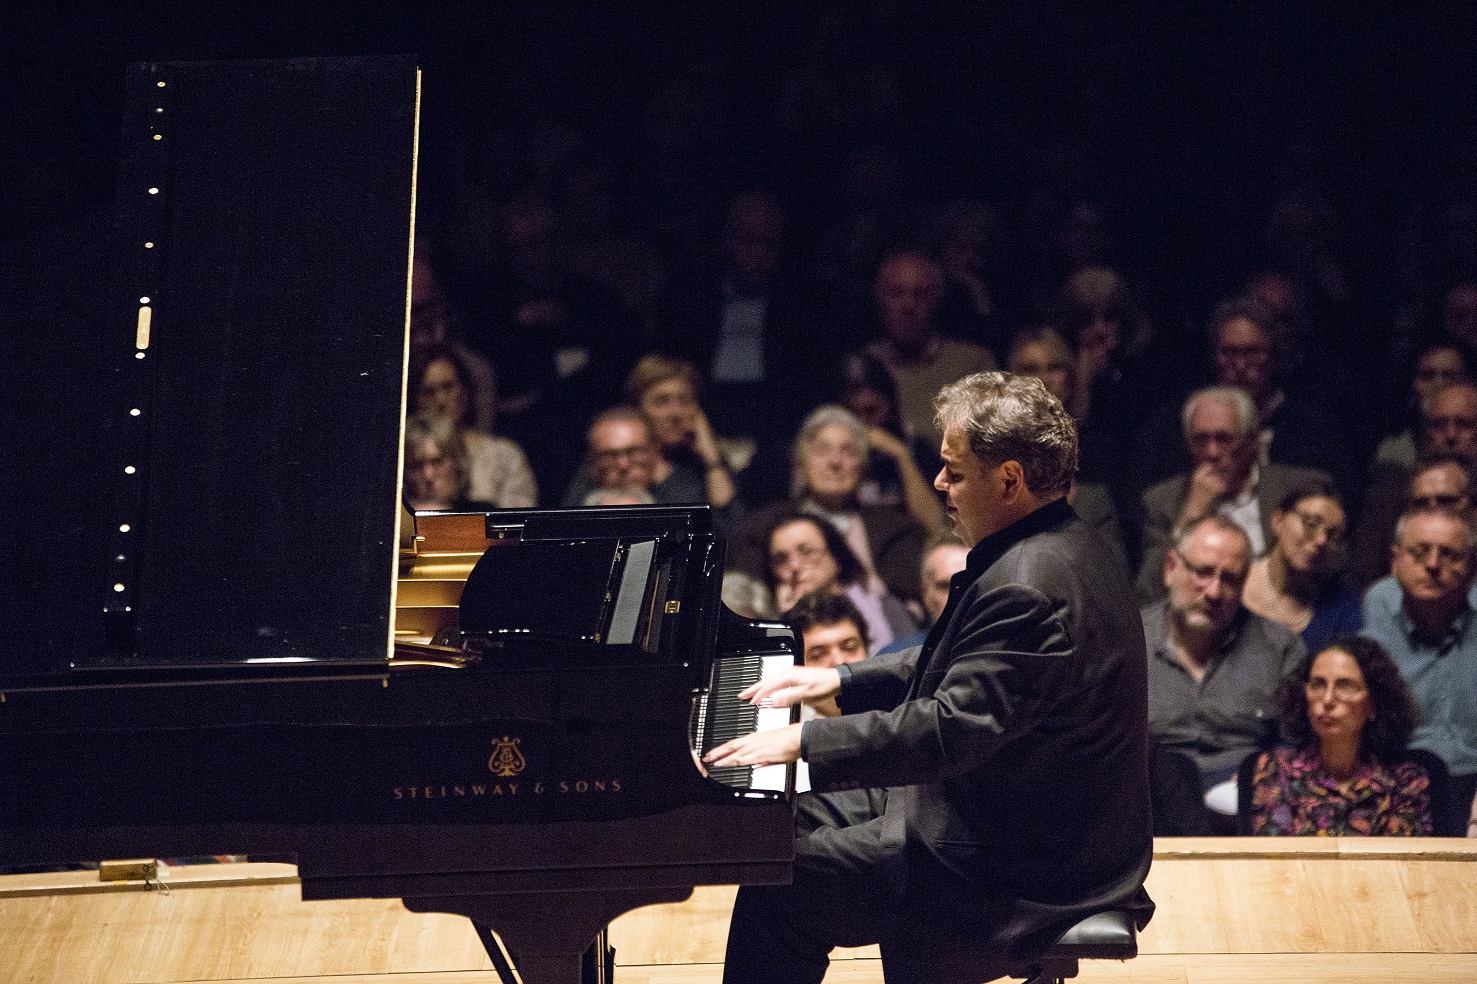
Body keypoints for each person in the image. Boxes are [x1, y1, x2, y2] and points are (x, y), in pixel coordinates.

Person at [706, 371, 1153, 984]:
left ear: (1011, 480)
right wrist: (838, 682)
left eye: (955, 471)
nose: (939, 483)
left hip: (1025, 864)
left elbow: (949, 731)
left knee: (782, 880)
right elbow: (968, 661)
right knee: (790, 819)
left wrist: (803, 741)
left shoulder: (1031, 581)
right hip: (1024, 810)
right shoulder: (1066, 540)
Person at [1144, 515, 1305, 830]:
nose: (1214, 592)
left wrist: (1267, 776)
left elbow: (1297, 750)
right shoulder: (1126, 641)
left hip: (1248, 805)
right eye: (1203, 572)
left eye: (1230, 579)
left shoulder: (1279, 648)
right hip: (1151, 808)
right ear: (1170, 567)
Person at [1136, 386, 1330, 603]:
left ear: (1251, 440)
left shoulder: (1295, 488)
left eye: (1224, 439)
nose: (1212, 452)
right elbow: (1150, 591)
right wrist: (1192, 512)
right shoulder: (1163, 500)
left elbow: (1330, 566)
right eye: (1201, 439)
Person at [727, 405, 929, 606]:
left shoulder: (893, 526)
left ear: (863, 466)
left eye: (848, 452)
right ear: (801, 464)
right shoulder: (764, 528)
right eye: (822, 451)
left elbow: (937, 540)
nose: (835, 462)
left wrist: (902, 455)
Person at [1361, 506, 1477, 836]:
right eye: (1419, 551)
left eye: (1450, 554)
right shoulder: (1371, 650)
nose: (1432, 565)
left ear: (1471, 568)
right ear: (1395, 562)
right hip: (1399, 787)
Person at [1249, 636, 1432, 836]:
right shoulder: (1276, 770)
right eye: (1318, 685)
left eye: (1344, 686)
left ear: (1373, 705)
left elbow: (1404, 864)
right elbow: (1273, 859)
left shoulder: (1404, 781)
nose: (1327, 700)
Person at [865, 251, 997, 452]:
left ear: (936, 300)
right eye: (897, 293)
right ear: (880, 299)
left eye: (919, 294)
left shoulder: (971, 365)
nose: (908, 305)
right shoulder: (863, 367)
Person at [766, 512, 917, 652]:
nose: (795, 566)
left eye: (807, 552)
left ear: (836, 556)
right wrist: (789, 621)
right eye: (781, 559)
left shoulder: (886, 607)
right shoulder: (772, 623)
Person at [411, 346, 538, 508]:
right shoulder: (405, 457)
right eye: (428, 392)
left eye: (448, 387)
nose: (440, 400)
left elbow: (517, 523)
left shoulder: (505, 456)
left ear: (464, 391)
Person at [1241, 483, 1361, 653]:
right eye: (1311, 524)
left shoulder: (1342, 607)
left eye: (1333, 535)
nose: (1321, 540)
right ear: (1278, 520)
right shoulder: (1232, 583)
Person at [836, 349, 946, 531]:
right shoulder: (833, 460)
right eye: (852, 414)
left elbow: (936, 527)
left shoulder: (918, 450)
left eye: (871, 411)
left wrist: (901, 456)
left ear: (890, 405)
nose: (862, 424)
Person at [402, 414, 491, 513]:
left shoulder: (483, 513)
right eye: (417, 465)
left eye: (437, 462)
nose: (428, 475)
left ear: (457, 463)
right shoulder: (394, 519)